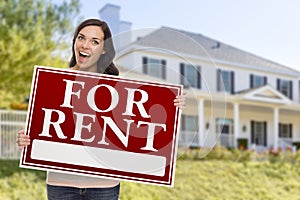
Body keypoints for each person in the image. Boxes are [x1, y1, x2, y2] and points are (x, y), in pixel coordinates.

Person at [17, 18, 186, 200]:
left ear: (104, 49)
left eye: (94, 41)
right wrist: (26, 139)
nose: (86, 45)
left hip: (103, 187)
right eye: (81, 38)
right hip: (61, 185)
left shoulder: (119, 90)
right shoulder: (53, 83)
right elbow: (41, 132)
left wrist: (173, 108)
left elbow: (139, 128)